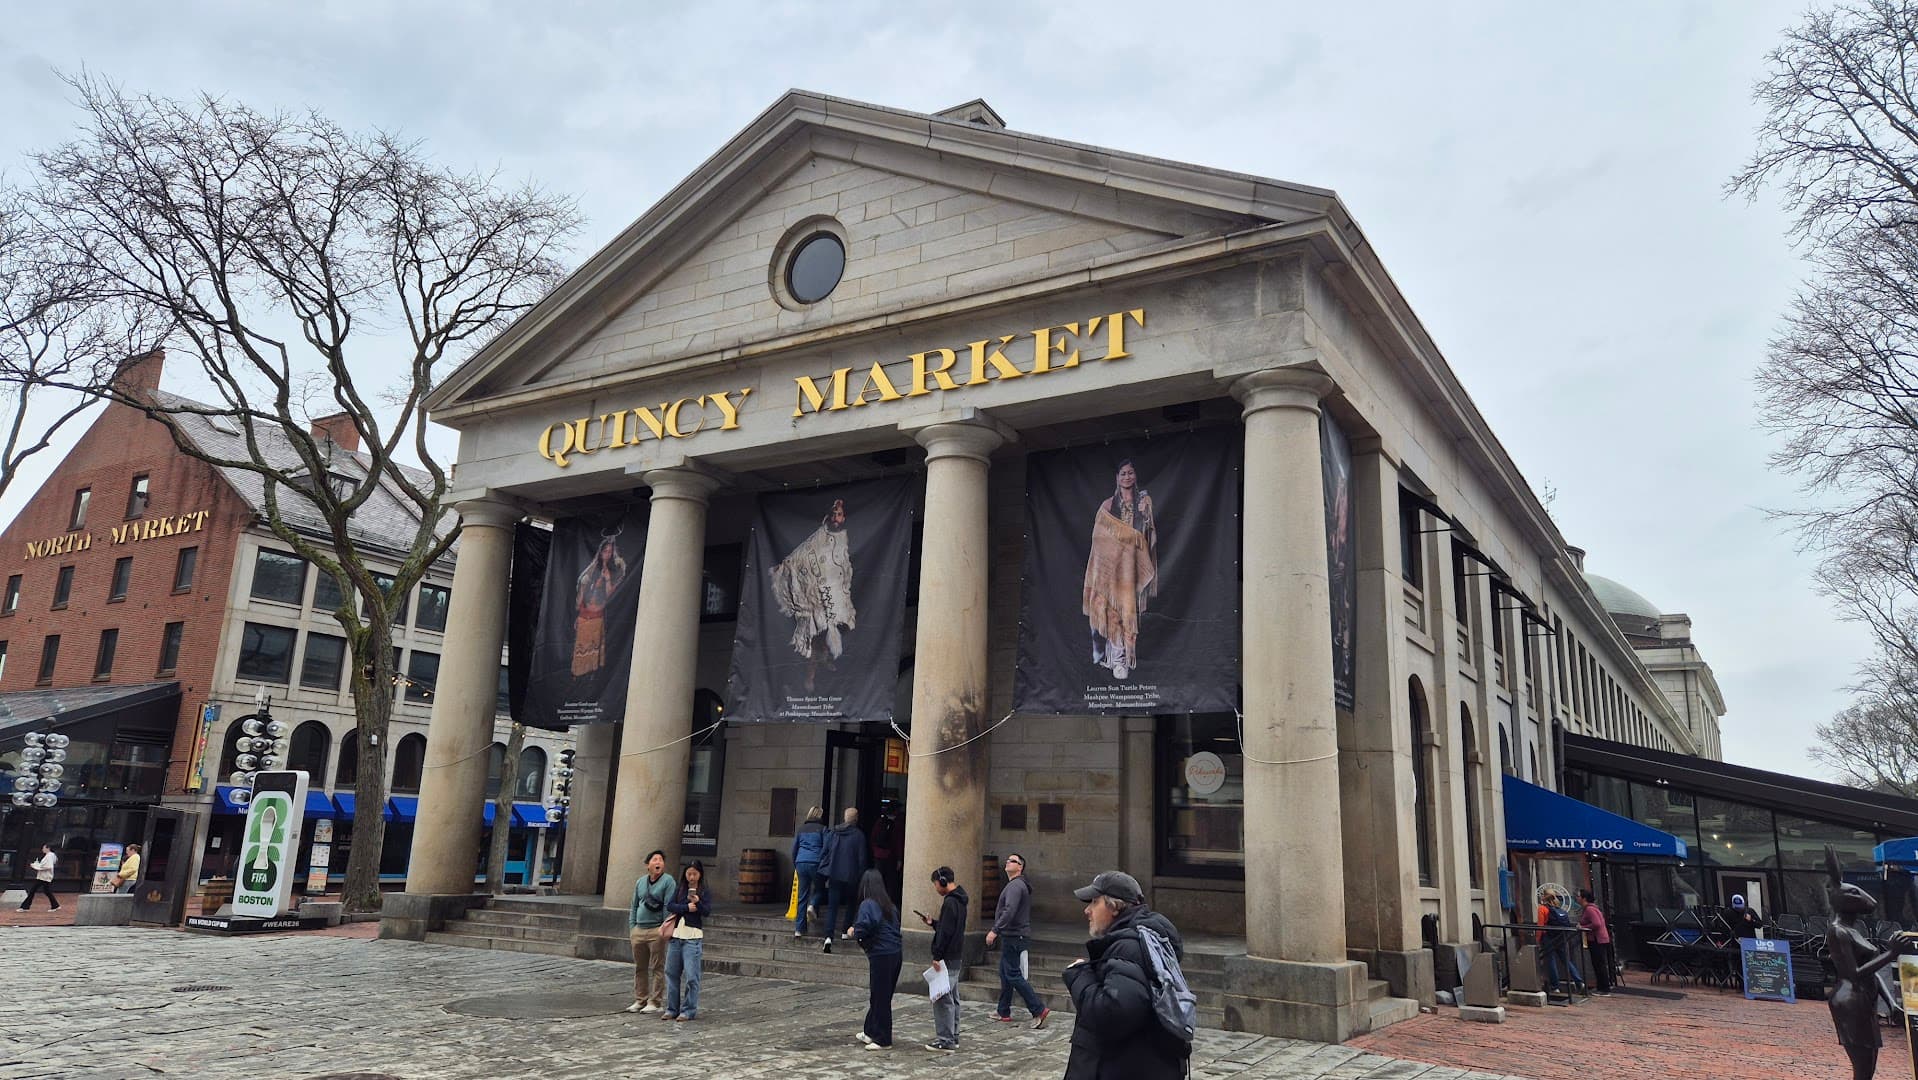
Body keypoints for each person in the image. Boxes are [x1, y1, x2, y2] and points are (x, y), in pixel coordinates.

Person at [1062, 871, 1187, 1079]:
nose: (1087, 910)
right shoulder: (1141, 940)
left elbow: (1113, 1015)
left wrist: (1079, 975)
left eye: (1094, 902)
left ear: (1114, 907)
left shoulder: (1129, 948)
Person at [771, 498, 856, 692]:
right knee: (816, 635)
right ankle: (811, 674)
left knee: (837, 628)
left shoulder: (843, 538)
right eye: (834, 514)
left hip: (836, 592)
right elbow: (804, 553)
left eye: (839, 514)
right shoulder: (820, 536)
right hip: (817, 594)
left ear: (843, 517)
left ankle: (825, 658)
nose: (836, 518)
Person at [1083, 460, 1158, 681]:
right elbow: (1098, 536)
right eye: (1123, 473)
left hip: (1133, 566)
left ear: (1135, 476)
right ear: (1117, 477)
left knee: (1129, 611)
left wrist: (1146, 516)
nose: (1127, 477)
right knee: (1113, 611)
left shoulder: (1143, 502)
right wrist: (1122, 540)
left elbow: (1149, 535)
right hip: (1113, 566)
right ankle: (1116, 659)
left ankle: (1126, 657)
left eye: (1130, 473)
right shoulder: (1108, 505)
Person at [986, 852, 1050, 1028]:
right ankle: (1003, 1011)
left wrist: (994, 930)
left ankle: (1038, 1009)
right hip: (1013, 935)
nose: (1008, 862)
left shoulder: (1015, 886)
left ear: (1020, 867)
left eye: (1013, 861)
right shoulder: (1016, 885)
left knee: (1013, 974)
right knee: (1005, 973)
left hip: (1014, 936)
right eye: (1007, 860)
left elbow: (1009, 910)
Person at [845, 868, 901, 1052]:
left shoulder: (868, 904)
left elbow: (865, 926)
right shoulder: (889, 905)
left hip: (881, 954)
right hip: (895, 953)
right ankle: (870, 1030)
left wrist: (853, 931)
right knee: (880, 995)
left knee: (880, 997)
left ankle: (884, 1039)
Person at [917, 865, 969, 1053]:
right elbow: (949, 927)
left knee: (942, 999)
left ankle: (946, 1040)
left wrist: (937, 955)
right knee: (952, 997)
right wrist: (934, 924)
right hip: (956, 955)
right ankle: (953, 1036)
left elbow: (946, 932)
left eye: (936, 884)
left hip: (947, 957)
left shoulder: (950, 903)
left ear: (942, 882)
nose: (936, 888)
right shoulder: (961, 900)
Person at [624, 851, 675, 1014]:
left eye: (661, 860)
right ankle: (641, 999)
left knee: (657, 966)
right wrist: (632, 927)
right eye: (655, 859)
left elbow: (668, 906)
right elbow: (634, 905)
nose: (658, 862)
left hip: (656, 929)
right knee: (640, 967)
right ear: (648, 865)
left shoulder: (668, 881)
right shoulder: (640, 882)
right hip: (639, 929)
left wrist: (664, 928)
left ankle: (655, 1001)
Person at [662, 860, 712, 1022]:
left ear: (700, 874)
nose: (691, 877)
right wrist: (686, 906)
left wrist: (697, 902)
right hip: (676, 936)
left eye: (695, 874)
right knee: (671, 973)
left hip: (693, 937)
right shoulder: (680, 889)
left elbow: (706, 912)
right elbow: (670, 906)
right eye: (689, 873)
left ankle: (689, 1010)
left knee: (692, 976)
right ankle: (672, 1009)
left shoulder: (704, 891)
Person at [573, 533, 627, 677]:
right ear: (600, 551)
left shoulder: (614, 571)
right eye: (605, 551)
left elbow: (611, 595)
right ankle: (578, 679)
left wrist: (607, 578)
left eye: (610, 552)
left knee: (594, 656)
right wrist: (583, 586)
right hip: (584, 617)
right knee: (580, 654)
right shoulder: (592, 569)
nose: (607, 554)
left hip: (597, 618)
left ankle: (591, 679)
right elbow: (581, 594)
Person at [819, 807, 869, 952]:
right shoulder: (859, 835)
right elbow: (862, 859)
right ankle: (845, 930)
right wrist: (862, 876)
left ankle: (828, 936)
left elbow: (824, 852)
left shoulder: (834, 832)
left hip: (834, 874)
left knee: (832, 907)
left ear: (844, 817)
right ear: (856, 819)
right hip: (851, 876)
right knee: (851, 903)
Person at [791, 806, 827, 939]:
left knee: (802, 896)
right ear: (820, 815)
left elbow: (794, 848)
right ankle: (812, 905)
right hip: (816, 862)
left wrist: (796, 863)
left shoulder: (801, 829)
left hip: (801, 862)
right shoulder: (823, 829)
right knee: (820, 889)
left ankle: (799, 929)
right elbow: (826, 848)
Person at [1576, 888, 1614, 995]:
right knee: (1598, 963)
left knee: (1599, 964)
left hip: (1597, 939)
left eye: (1578, 896)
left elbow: (1597, 923)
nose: (1577, 898)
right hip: (1597, 939)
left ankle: (1604, 988)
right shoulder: (1590, 908)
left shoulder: (1590, 909)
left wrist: (1583, 927)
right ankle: (1601, 986)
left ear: (1584, 898)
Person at [18, 844, 58, 911]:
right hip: (45, 877)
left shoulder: (49, 856)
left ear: (48, 848)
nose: (42, 849)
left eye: (43, 848)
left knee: (32, 891)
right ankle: (55, 905)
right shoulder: (51, 855)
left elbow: (49, 866)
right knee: (47, 891)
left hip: (44, 877)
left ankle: (25, 907)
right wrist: (37, 866)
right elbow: (47, 865)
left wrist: (36, 867)